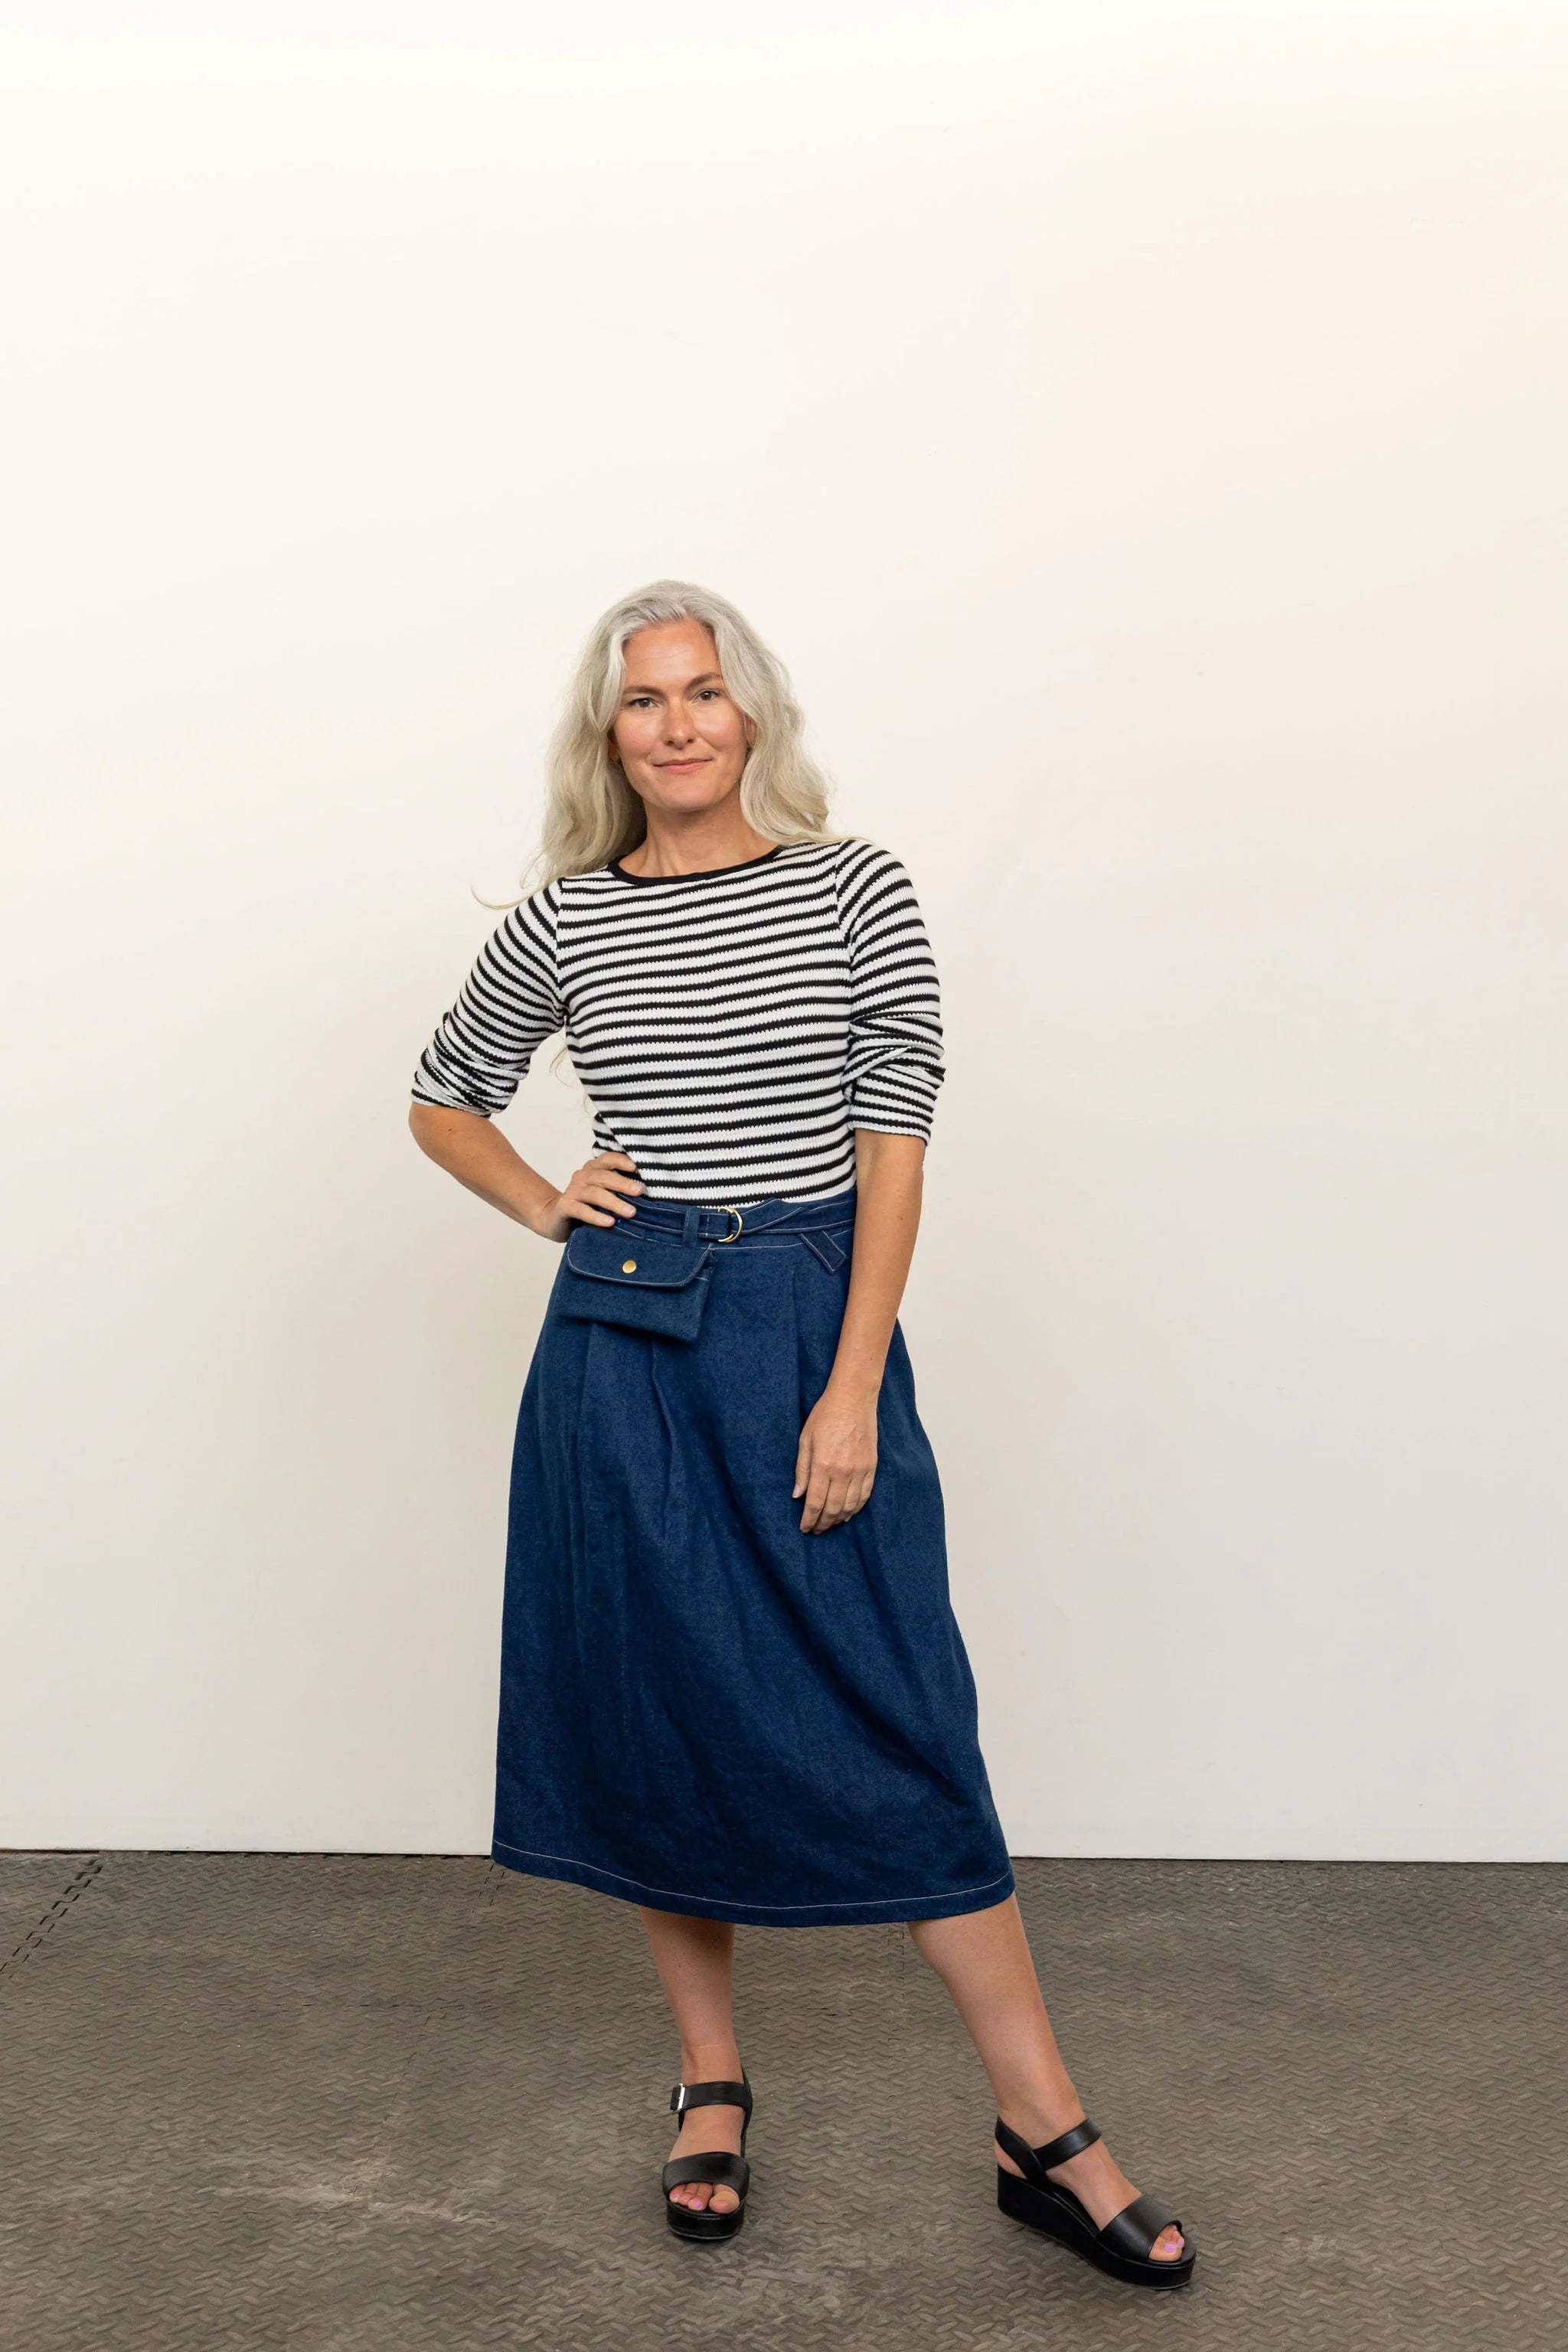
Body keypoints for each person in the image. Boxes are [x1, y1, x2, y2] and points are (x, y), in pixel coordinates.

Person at [407, 581, 1194, 2286]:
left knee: (899, 1709)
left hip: (805, 1323)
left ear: (752, 710)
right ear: (607, 733)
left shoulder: (853, 888)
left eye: (703, 691)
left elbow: (894, 1149)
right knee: (661, 1706)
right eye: (643, 700)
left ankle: (1041, 2122)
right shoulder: (565, 919)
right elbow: (442, 1094)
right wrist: (546, 1200)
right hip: (623, 1345)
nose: (677, 724)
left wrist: (849, 1387)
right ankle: (710, 2079)